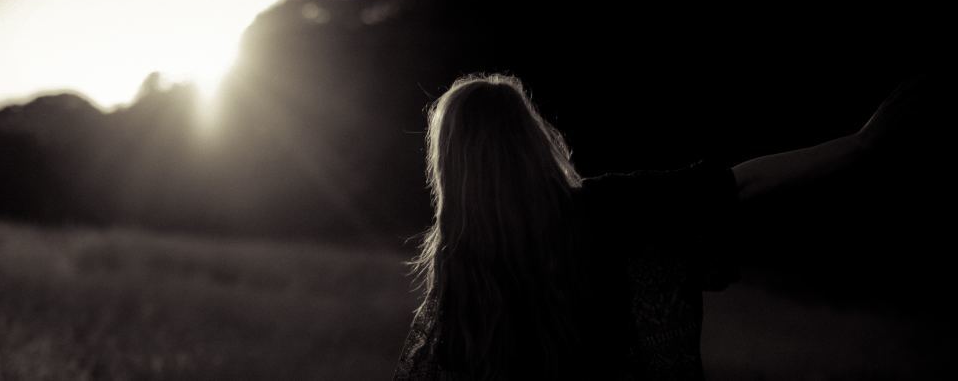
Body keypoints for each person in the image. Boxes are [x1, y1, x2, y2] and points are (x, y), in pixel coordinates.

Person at [392, 73, 933, 380]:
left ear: (450, 166)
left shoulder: (457, 262)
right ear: (531, 139)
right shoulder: (607, 207)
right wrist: (859, 146)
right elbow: (737, 183)